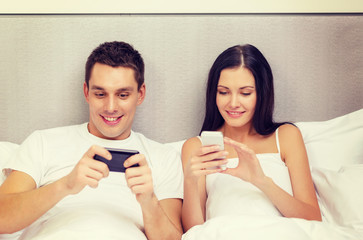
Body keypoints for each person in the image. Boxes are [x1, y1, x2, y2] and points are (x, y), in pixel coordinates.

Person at [0, 41, 183, 240]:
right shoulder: (43, 142)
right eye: (100, 94)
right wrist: (66, 185)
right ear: (87, 93)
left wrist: (149, 201)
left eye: (122, 95)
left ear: (140, 94)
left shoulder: (164, 157)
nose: (110, 107)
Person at [181, 44, 321, 232]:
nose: (233, 103)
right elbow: (193, 230)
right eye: (223, 92)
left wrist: (261, 181)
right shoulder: (195, 147)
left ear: (262, 94)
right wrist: (190, 181)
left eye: (245, 93)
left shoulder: (286, 136)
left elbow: (313, 219)